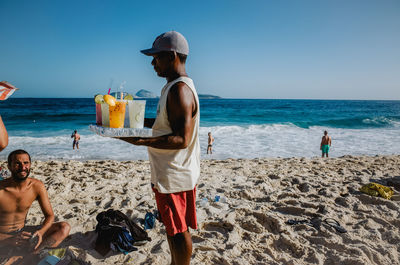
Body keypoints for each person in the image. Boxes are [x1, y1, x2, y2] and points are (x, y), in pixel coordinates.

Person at [119, 31, 199, 265]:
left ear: (173, 55)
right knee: (174, 227)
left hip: (175, 173)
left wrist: (140, 141)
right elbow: (165, 124)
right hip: (174, 171)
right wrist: (128, 124)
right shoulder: (172, 87)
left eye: (156, 57)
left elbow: (181, 139)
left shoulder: (179, 90)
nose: (152, 62)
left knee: (177, 231)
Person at [0, 149, 70, 264]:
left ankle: (30, 256)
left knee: (64, 228)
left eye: (26, 163)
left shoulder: (36, 186)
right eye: (17, 163)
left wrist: (41, 232)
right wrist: (9, 240)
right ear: (9, 166)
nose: (23, 167)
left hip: (23, 234)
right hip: (3, 238)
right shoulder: (1, 190)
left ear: (30, 164)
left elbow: (50, 215)